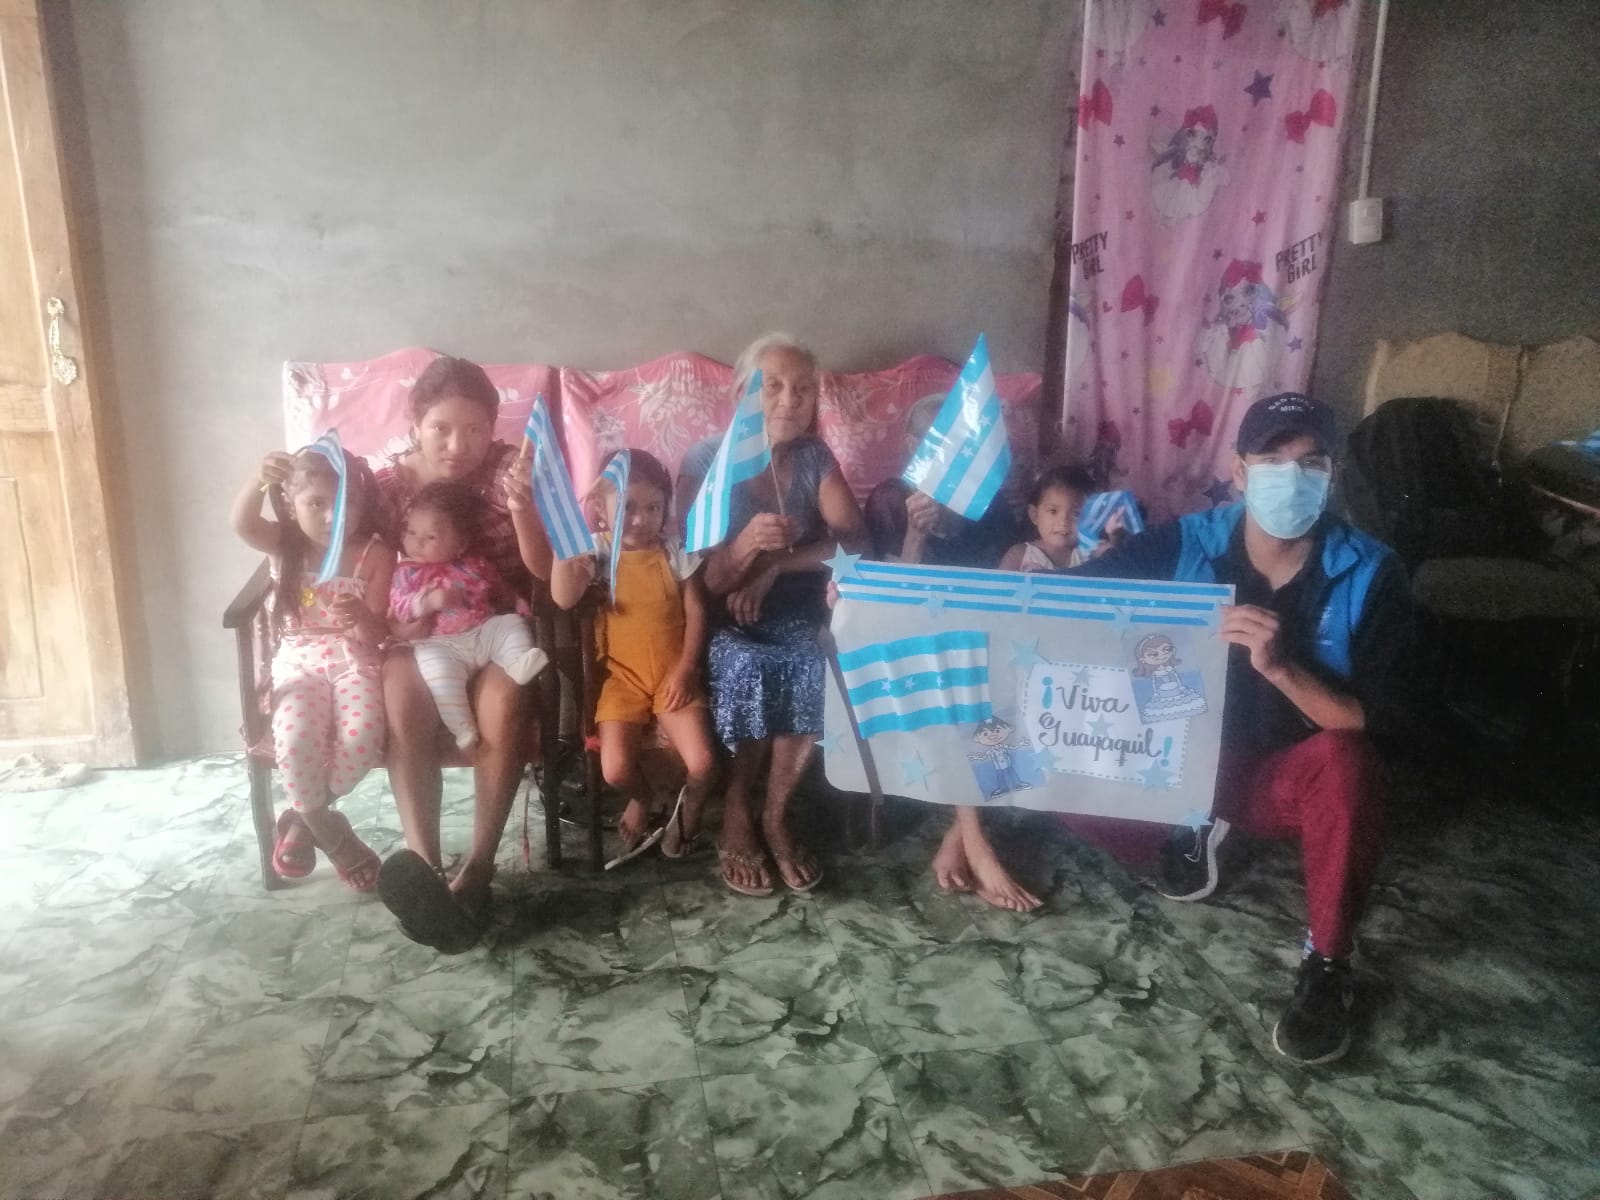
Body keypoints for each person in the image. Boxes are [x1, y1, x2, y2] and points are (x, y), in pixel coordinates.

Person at [1066, 391, 1413, 1065]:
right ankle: (1191, 829)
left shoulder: (1371, 571)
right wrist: (887, 593)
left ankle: (1328, 964)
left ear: (1333, 475)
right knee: (1059, 758)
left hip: (1286, 776)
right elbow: (1064, 602)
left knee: (1349, 763)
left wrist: (1283, 669)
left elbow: (1384, 721)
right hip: (1185, 763)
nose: (1293, 475)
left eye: (1311, 461)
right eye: (1273, 459)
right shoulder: (1186, 541)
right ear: (1239, 470)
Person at [371, 356, 553, 953]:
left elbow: (543, 573)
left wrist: (524, 508)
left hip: (494, 621)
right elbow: (360, 565)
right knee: (402, 692)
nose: (458, 445)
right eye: (441, 429)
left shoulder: (508, 473)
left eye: (474, 429)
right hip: (421, 628)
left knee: (507, 696)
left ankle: (477, 871)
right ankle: (425, 870)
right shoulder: (387, 489)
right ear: (415, 426)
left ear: (493, 429)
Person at [703, 332, 868, 896]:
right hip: (723, 617)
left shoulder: (814, 457)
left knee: (812, 663)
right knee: (749, 667)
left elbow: (857, 543)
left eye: (802, 389)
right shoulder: (708, 461)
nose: (788, 401)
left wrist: (777, 565)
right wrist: (748, 545)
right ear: (740, 395)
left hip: (796, 613)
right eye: (771, 386)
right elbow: (705, 580)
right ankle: (736, 809)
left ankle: (775, 816)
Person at [230, 443, 393, 891]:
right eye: (316, 503)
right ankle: (334, 837)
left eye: (346, 504)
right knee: (296, 737)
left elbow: (376, 632)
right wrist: (257, 479)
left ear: (361, 503)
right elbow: (242, 523)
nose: (332, 517)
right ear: (290, 503)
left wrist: (360, 618)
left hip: (354, 660)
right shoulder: (285, 545)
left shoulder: (374, 554)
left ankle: (304, 818)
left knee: (361, 740)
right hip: (298, 661)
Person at [550, 450, 719, 866]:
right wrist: (568, 532)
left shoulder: (675, 550)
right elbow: (564, 597)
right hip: (623, 680)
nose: (641, 519)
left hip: (673, 676)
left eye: (653, 508)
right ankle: (643, 798)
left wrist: (687, 669)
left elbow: (698, 611)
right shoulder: (597, 552)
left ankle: (687, 815)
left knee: (703, 762)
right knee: (615, 770)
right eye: (627, 507)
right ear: (600, 507)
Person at [389, 481, 549, 750]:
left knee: (510, 624)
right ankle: (462, 727)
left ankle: (518, 662)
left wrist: (519, 605)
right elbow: (399, 606)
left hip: (481, 632)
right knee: (437, 675)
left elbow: (500, 589)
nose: (417, 542)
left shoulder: (475, 565)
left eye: (431, 537)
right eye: (411, 532)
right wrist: (427, 602)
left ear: (460, 543)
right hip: (439, 643)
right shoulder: (406, 573)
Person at [863, 393, 1021, 567]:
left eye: (960, 440)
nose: (952, 451)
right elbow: (886, 581)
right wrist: (915, 536)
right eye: (939, 440)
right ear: (912, 445)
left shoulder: (986, 497)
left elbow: (1017, 567)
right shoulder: (889, 501)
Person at [998, 464, 1120, 572]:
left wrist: (1115, 535)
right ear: (1035, 515)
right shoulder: (1019, 555)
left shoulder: (1093, 550)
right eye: (1053, 511)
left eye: (1076, 514)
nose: (1064, 521)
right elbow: (998, 588)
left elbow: (1117, 558)